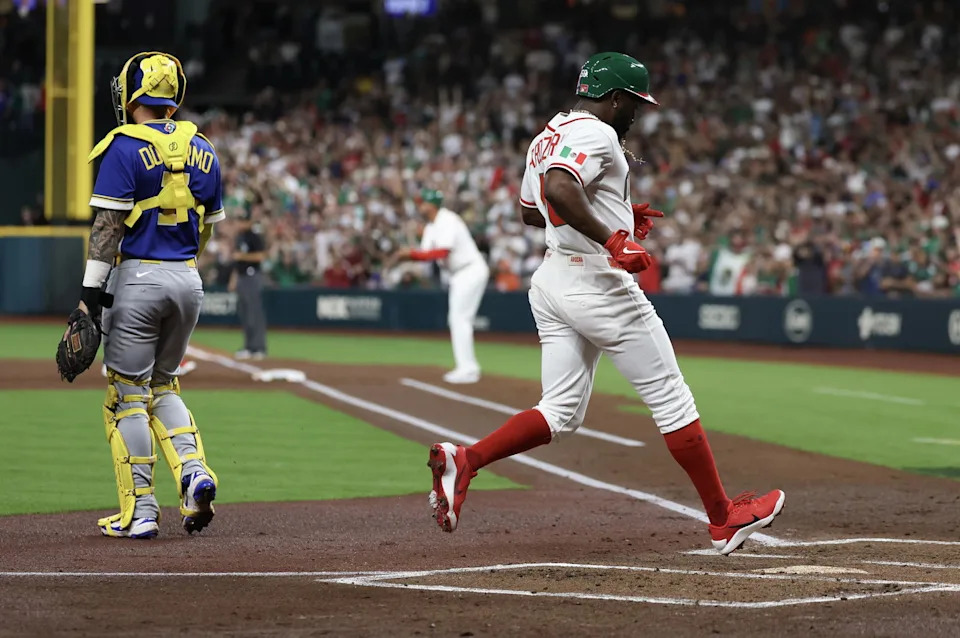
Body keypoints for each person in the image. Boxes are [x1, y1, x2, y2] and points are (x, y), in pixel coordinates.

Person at [427, 52, 784, 555]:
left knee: (561, 410)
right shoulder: (597, 132)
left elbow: (534, 213)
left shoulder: (548, 132)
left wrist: (613, 210)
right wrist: (613, 236)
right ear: (613, 97)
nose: (637, 113)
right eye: (634, 102)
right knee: (670, 395)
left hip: (553, 281)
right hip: (597, 284)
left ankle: (465, 461)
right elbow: (558, 188)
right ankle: (724, 518)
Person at [55, 52, 221, 539]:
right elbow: (206, 231)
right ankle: (194, 473)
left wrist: (88, 298)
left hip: (139, 279)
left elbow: (106, 229)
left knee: (126, 396)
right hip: (188, 279)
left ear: (131, 96)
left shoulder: (123, 146)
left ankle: (141, 512)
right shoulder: (205, 148)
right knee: (164, 386)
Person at [388, 189, 490, 384]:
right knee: (458, 319)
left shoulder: (447, 219)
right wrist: (410, 253)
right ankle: (466, 367)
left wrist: (410, 254)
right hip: (459, 274)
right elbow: (426, 256)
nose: (420, 206)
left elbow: (441, 252)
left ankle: (468, 368)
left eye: (422, 202)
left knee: (460, 319)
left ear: (432, 204)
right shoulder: (431, 227)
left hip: (470, 269)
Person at [231, 209, 268, 359]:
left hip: (253, 277)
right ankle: (249, 347)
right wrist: (233, 279)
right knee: (245, 313)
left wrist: (243, 256)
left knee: (254, 313)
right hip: (242, 276)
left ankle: (259, 348)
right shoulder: (240, 237)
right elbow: (237, 261)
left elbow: (261, 256)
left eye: (242, 221)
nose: (239, 223)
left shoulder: (254, 236)